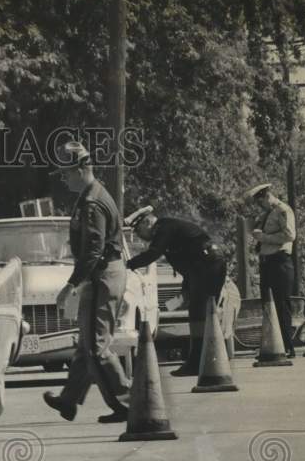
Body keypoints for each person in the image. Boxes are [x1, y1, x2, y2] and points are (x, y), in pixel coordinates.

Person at [43, 141, 130, 423]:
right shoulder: (90, 197)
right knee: (86, 345)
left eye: (67, 173)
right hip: (102, 274)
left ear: (82, 169)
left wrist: (71, 285)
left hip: (103, 275)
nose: (64, 179)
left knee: (96, 346)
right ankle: (69, 400)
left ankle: (129, 403)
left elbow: (94, 247)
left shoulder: (92, 202)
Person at [124, 205, 227, 376]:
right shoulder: (168, 229)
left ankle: (198, 361)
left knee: (199, 314)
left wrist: (127, 264)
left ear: (148, 221)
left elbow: (153, 254)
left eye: (138, 229)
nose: (138, 235)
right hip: (203, 267)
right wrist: (185, 289)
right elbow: (187, 261)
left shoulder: (164, 227)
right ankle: (203, 358)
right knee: (201, 314)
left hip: (208, 266)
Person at [246, 182, 296, 357]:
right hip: (267, 262)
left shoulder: (283, 210)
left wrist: (264, 237)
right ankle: (271, 345)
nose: (259, 206)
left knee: (281, 304)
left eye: (260, 202)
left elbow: (290, 235)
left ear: (266, 197)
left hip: (280, 261)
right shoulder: (267, 213)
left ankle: (287, 346)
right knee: (267, 304)